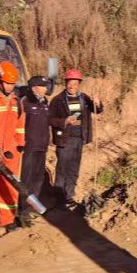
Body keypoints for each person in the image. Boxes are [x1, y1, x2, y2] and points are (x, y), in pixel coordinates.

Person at [49, 69, 103, 208]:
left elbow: (97, 110)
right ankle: (59, 198)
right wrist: (64, 121)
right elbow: (49, 119)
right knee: (62, 169)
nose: (72, 86)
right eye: (70, 83)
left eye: (75, 83)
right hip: (64, 139)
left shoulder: (84, 98)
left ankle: (69, 196)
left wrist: (97, 103)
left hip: (79, 138)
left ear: (79, 84)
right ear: (66, 83)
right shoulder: (57, 100)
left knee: (74, 168)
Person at [0, 61, 26, 230]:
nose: (10, 87)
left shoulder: (16, 102)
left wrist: (20, 144)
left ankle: (7, 219)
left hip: (11, 150)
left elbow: (20, 125)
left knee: (10, 186)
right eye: (7, 83)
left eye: (12, 84)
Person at [19, 75, 51, 225]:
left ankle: (33, 207)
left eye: (46, 86)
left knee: (38, 179)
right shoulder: (24, 103)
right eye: (43, 86)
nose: (45, 89)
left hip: (42, 147)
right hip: (29, 147)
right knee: (27, 179)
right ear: (34, 88)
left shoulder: (45, 103)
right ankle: (23, 211)